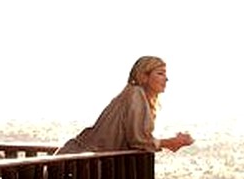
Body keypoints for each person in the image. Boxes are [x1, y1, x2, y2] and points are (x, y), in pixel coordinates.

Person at [56, 56, 194, 154]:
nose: (166, 79)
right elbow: (138, 140)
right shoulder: (135, 94)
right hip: (78, 160)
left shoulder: (136, 95)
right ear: (144, 76)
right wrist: (171, 142)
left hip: (80, 159)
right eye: (160, 73)